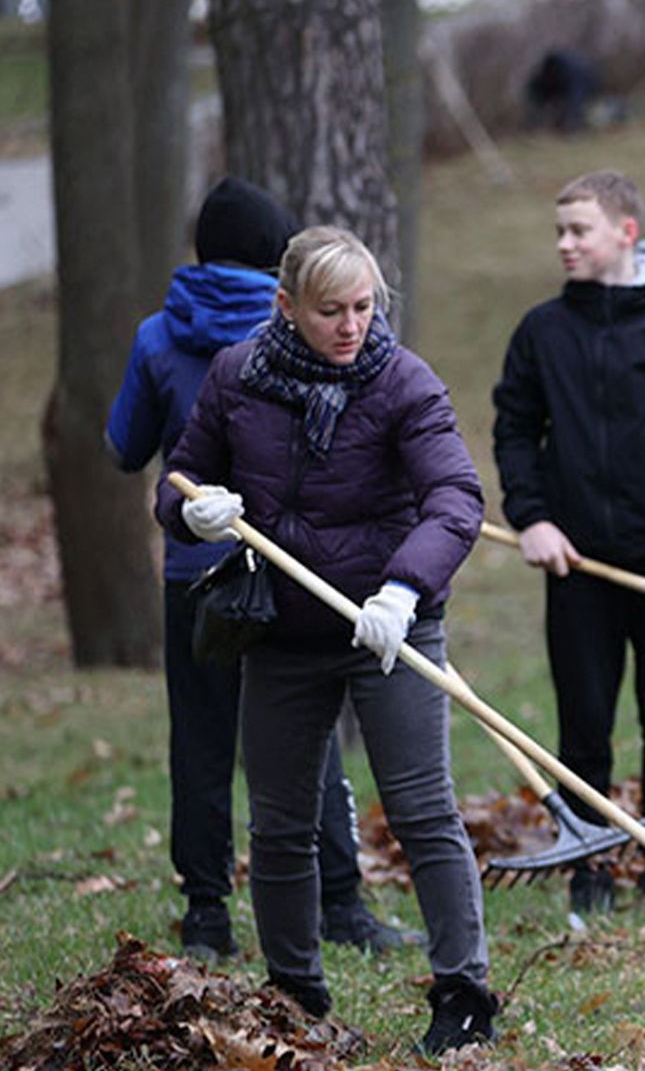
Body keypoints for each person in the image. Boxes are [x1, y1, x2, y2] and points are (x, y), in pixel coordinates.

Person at [155, 226, 495, 1054]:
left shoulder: (402, 382)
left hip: (390, 626)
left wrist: (405, 588)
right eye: (330, 310)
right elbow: (179, 476)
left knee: (421, 811)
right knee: (278, 822)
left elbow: (455, 497)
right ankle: (294, 990)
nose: (352, 326)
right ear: (286, 307)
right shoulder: (239, 377)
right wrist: (194, 511)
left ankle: (464, 992)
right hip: (286, 629)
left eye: (364, 307)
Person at [108, 177, 419, 963]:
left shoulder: (157, 336)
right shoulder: (306, 327)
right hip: (291, 575)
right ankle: (341, 904)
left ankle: (206, 914)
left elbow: (123, 448)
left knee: (203, 740)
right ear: (280, 270)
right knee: (304, 741)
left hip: (195, 573)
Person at [492, 170, 645, 913]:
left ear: (625, 232)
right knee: (584, 722)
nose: (564, 244)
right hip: (579, 567)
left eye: (579, 231)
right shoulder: (543, 332)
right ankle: (589, 863)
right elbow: (514, 430)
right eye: (559, 231)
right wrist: (532, 518)